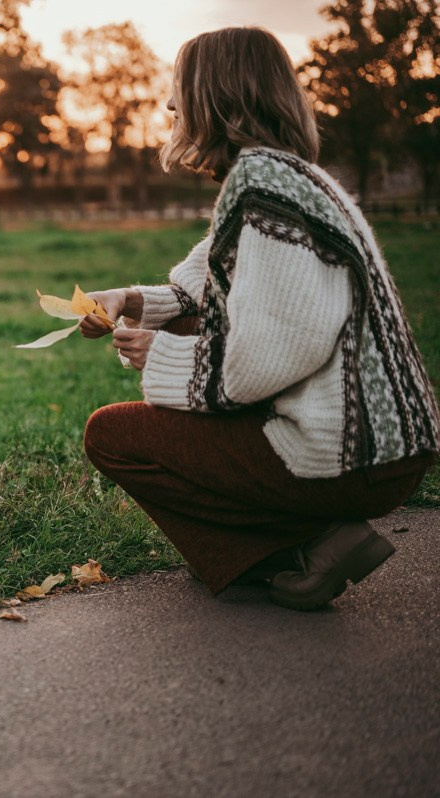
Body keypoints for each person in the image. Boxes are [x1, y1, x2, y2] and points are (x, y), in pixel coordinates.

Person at [78, 27, 439, 610]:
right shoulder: (284, 176)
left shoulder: (265, 186)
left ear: (216, 97)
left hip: (357, 449)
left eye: (179, 88)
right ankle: (297, 544)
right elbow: (206, 285)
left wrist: (160, 353)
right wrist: (130, 299)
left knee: (112, 435)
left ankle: (302, 549)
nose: (170, 105)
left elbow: (274, 354)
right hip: (382, 438)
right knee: (183, 331)